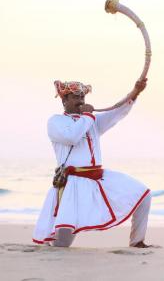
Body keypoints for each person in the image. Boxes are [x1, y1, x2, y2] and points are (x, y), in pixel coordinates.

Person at [33, 78, 154, 248]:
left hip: (98, 179)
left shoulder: (91, 121)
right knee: (62, 244)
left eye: (82, 97)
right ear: (64, 100)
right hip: (72, 185)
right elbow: (72, 137)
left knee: (144, 195)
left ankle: (137, 242)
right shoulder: (56, 122)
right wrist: (88, 116)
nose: (81, 101)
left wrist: (135, 92)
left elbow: (117, 111)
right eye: (76, 97)